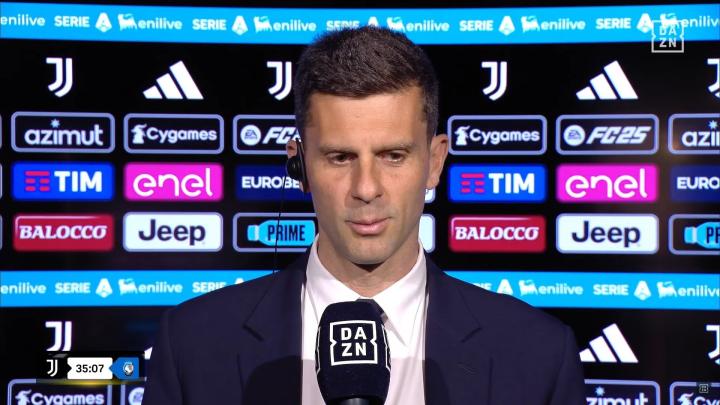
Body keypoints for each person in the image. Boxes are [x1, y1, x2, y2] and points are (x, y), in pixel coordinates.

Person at [143, 26, 585, 405]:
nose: (367, 188)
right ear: (300, 166)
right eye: (340, 157)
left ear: (434, 163)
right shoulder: (191, 344)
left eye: (394, 155)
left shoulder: (539, 354)